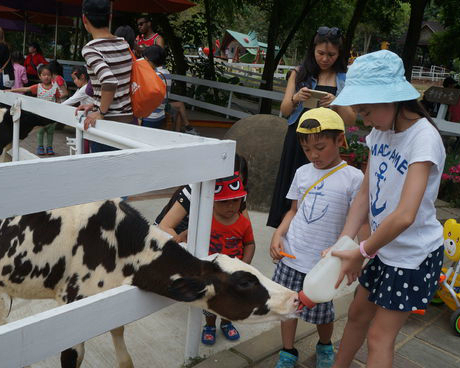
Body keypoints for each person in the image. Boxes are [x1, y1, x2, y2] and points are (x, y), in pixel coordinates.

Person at [328, 50, 445, 368]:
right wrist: (345, 242)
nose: (364, 120)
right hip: (380, 248)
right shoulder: (380, 131)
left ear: (390, 99)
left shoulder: (423, 139)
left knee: (379, 336)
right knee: (356, 315)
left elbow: (406, 215)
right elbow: (365, 193)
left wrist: (362, 251)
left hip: (411, 256)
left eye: (365, 110)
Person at [270, 107, 364, 368]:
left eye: (320, 147)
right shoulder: (303, 173)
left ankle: (324, 345)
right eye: (307, 149)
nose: (313, 155)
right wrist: (278, 234)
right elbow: (294, 211)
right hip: (292, 255)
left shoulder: (354, 178)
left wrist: (354, 253)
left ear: (340, 140)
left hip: (323, 264)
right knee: (288, 307)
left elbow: (357, 221)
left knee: (323, 313)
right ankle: (287, 351)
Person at [267, 26, 356, 229]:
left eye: (331, 54)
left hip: (327, 143)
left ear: (339, 54)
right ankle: (284, 231)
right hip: (299, 139)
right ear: (313, 50)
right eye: (321, 53)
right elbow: (285, 109)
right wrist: (296, 98)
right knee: (292, 183)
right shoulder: (298, 74)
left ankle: (311, 230)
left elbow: (350, 120)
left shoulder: (345, 78)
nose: (325, 59)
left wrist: (337, 102)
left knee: (321, 187)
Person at [201, 173, 255, 345]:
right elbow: (192, 234)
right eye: (223, 202)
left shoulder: (244, 223)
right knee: (211, 300)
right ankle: (209, 326)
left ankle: (226, 323)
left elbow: (250, 244)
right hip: (211, 271)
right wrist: (181, 237)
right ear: (213, 201)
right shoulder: (205, 220)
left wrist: (245, 265)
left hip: (234, 272)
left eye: (235, 200)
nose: (230, 206)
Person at [77, 0, 133, 153]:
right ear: (110, 17)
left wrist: (100, 111)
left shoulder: (91, 49)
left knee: (102, 174)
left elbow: (109, 81)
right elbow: (120, 80)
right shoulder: (123, 43)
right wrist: (96, 103)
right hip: (129, 121)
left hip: (107, 125)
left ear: (84, 19)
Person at [157, 154, 249, 243]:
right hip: (171, 241)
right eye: (232, 183)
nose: (233, 196)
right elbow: (164, 227)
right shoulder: (195, 189)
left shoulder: (239, 194)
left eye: (237, 184)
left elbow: (247, 235)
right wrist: (187, 252)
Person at [10, 64, 61, 156]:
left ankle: (49, 147)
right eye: (44, 75)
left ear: (52, 76)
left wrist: (57, 113)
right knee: (40, 132)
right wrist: (11, 91)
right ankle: (40, 147)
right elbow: (26, 89)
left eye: (48, 75)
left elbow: (58, 101)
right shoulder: (38, 87)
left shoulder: (55, 88)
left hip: (51, 116)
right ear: (39, 76)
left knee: (50, 132)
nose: (46, 77)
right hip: (39, 115)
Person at [141, 45, 171, 128]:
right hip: (160, 115)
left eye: (146, 60)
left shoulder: (154, 75)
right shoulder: (166, 72)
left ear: (150, 59)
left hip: (149, 116)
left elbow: (146, 96)